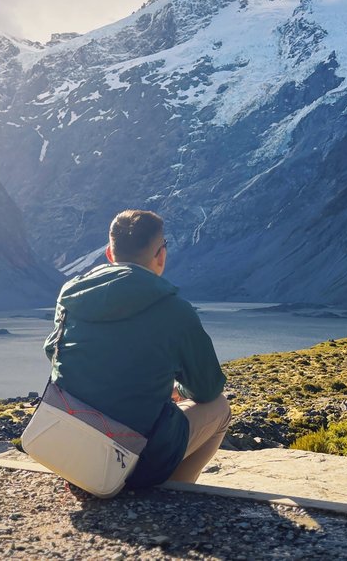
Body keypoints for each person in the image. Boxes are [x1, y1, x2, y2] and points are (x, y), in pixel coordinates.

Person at [43, 209, 231, 487]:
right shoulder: (175, 309)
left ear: (109, 253)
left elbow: (53, 350)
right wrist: (176, 390)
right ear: (161, 255)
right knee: (220, 407)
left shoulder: (71, 294)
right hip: (134, 458)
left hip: (65, 446)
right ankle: (175, 494)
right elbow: (207, 388)